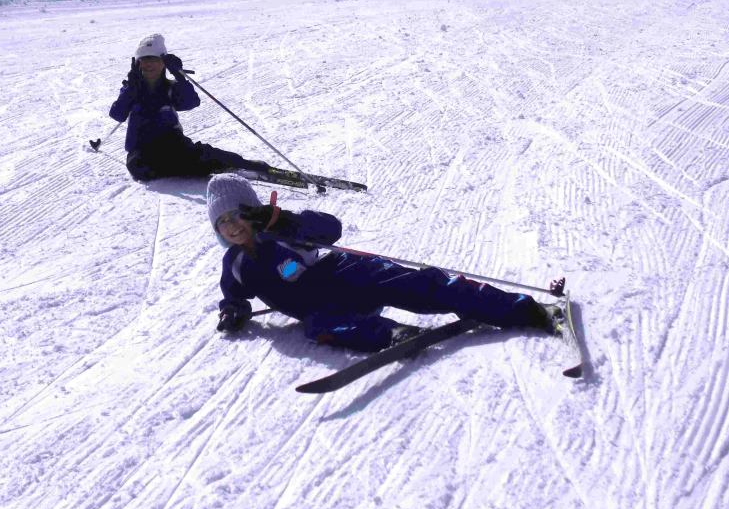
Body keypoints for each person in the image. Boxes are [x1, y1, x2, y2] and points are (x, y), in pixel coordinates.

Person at [206, 174, 560, 351]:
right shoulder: (235, 264)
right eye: (222, 221)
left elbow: (331, 229)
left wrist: (284, 219)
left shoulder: (280, 228)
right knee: (319, 328)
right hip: (319, 308)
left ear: (253, 210)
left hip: (343, 275)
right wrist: (232, 310)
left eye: (237, 214)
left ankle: (527, 309)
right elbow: (233, 295)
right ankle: (394, 335)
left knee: (417, 284)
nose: (232, 225)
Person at [109, 35, 273, 182]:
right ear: (137, 64)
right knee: (139, 168)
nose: (148, 64)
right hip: (142, 150)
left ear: (163, 62)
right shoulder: (131, 89)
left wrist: (180, 76)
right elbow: (117, 114)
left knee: (199, 156)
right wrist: (131, 89)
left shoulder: (170, 87)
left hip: (173, 145)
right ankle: (203, 165)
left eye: (153, 59)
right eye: (144, 60)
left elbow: (191, 102)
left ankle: (249, 166)